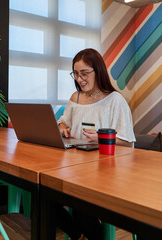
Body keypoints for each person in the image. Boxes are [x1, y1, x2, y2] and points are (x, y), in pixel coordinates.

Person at [56, 48, 136, 239]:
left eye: (84, 73)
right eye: (75, 74)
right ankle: (79, 235)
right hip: (75, 170)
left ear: (98, 71)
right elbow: (63, 121)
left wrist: (101, 140)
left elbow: (127, 143)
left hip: (104, 174)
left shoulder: (115, 101)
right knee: (44, 200)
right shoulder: (75, 98)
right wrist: (62, 128)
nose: (79, 79)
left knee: (81, 208)